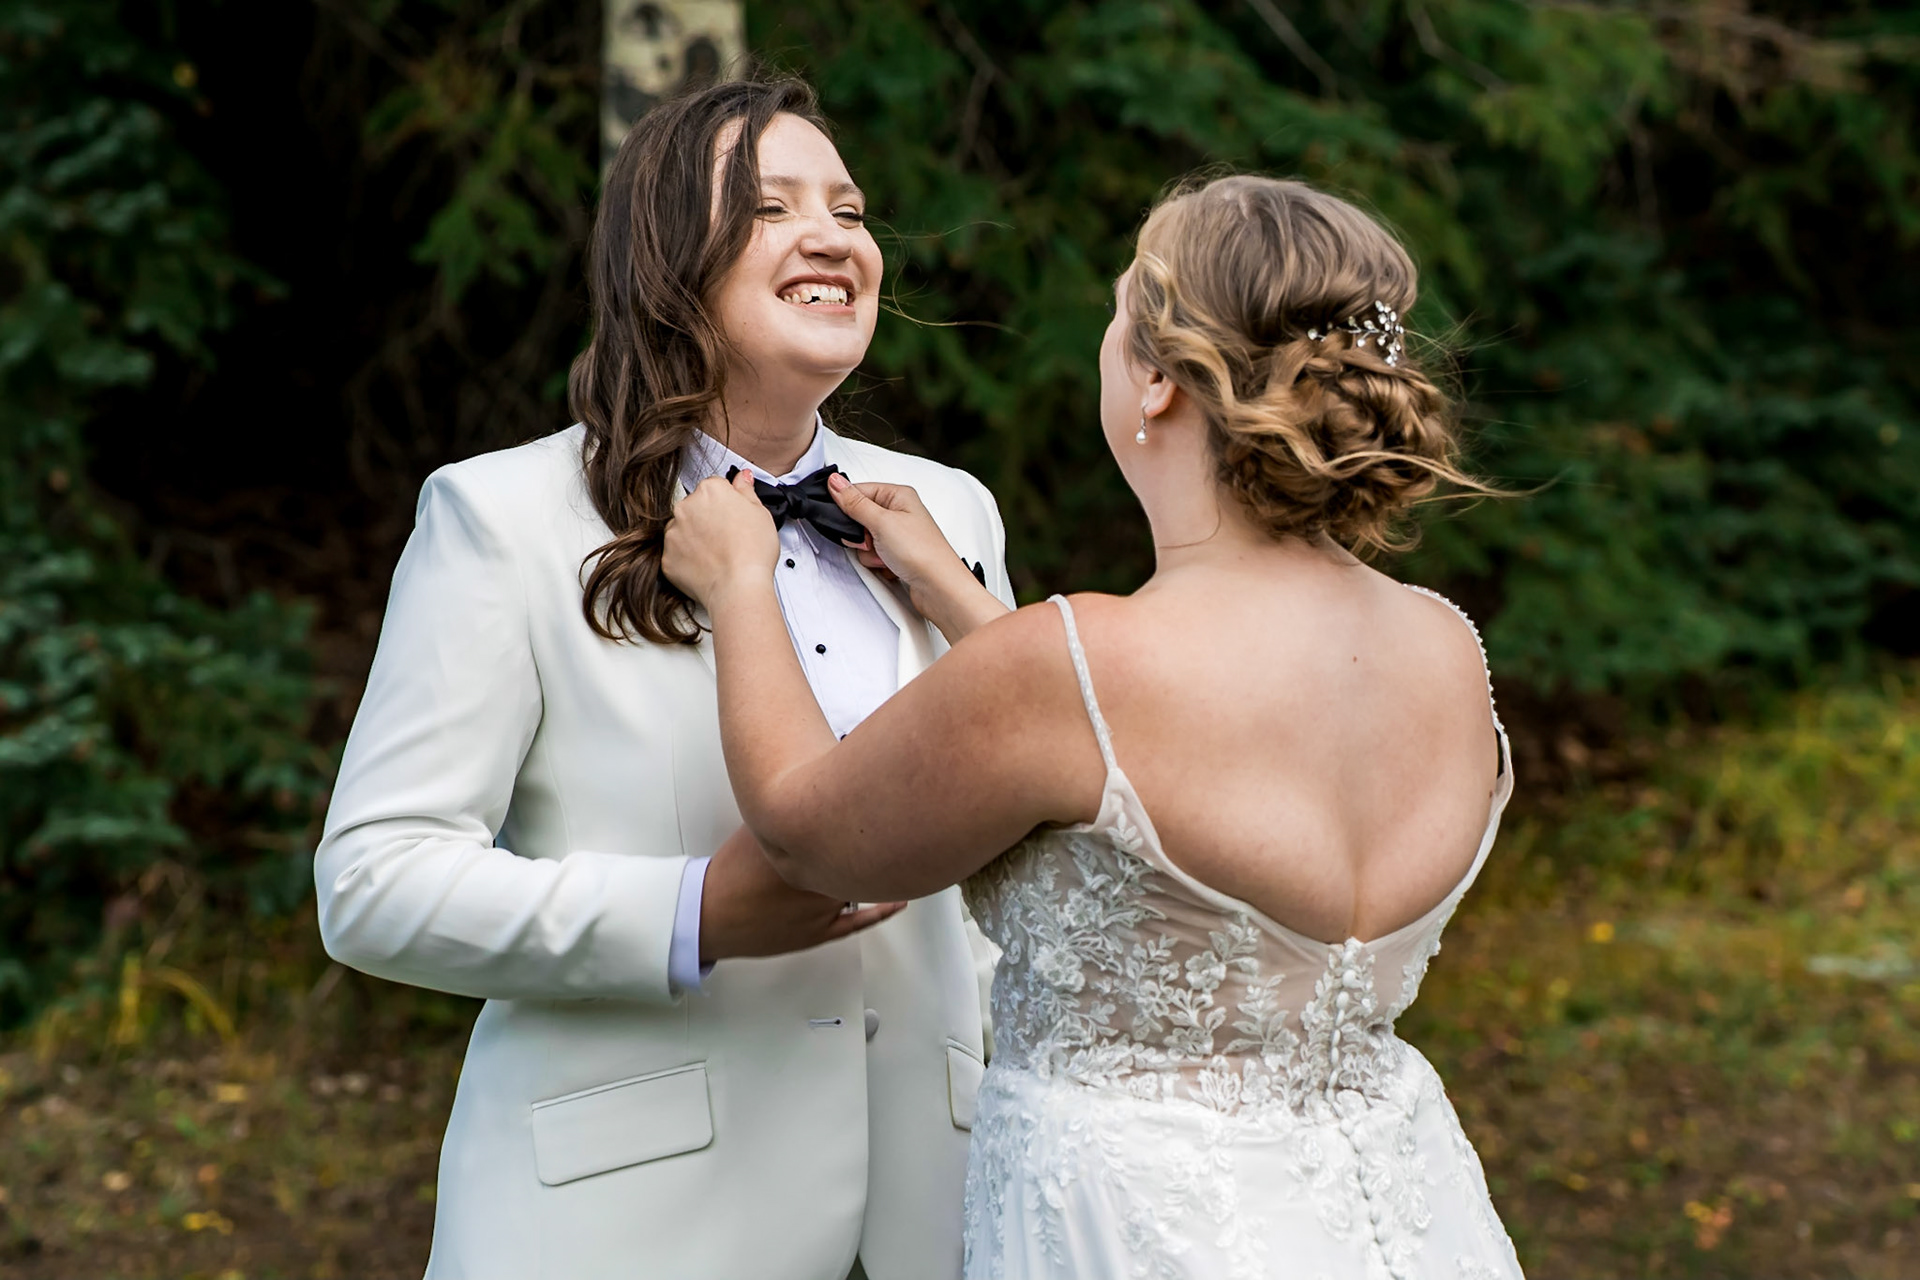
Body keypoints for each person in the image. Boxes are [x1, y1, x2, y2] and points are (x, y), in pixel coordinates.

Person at [664, 173, 1526, 1279]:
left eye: (1120, 325)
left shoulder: (1077, 663)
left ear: (1157, 383)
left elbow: (800, 830)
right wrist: (966, 604)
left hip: (1135, 1230)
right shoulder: (1446, 646)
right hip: (1407, 1216)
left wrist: (741, 584)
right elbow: (1134, 743)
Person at [314, 77, 1008, 1280]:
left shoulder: (947, 513)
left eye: (849, 207)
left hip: (937, 1212)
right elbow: (373, 882)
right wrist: (691, 914)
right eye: (772, 205)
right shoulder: (504, 516)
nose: (835, 234)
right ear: (666, 259)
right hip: (625, 1227)